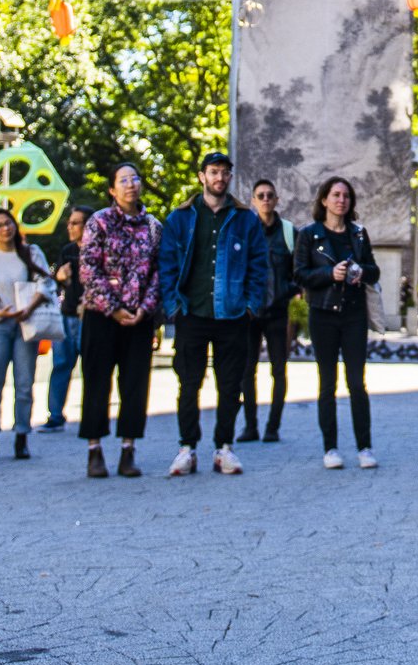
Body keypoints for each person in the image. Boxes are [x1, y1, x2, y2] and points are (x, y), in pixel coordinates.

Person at [156, 150, 273, 478]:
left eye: (224, 172)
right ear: (201, 177)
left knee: (230, 383)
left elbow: (258, 265)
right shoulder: (181, 217)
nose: (219, 177)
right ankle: (187, 448)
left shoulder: (245, 218)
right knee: (189, 382)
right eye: (213, 172)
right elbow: (166, 264)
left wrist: (251, 304)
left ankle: (224, 447)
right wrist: (173, 305)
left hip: (233, 314)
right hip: (192, 312)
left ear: (230, 178)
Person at [77, 165, 161, 479]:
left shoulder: (153, 226)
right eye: (123, 180)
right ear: (113, 189)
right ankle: (94, 449)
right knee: (97, 380)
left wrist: (145, 308)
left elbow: (158, 272)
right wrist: (112, 308)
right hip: (102, 315)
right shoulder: (98, 221)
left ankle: (128, 449)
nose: (131, 185)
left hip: (139, 317)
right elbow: (88, 269)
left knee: (135, 384)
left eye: (135, 179)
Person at [294, 176, 380, 469]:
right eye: (335, 195)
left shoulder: (358, 234)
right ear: (324, 200)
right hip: (322, 314)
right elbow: (300, 275)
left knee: (357, 382)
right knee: (327, 383)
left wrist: (359, 271)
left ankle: (364, 447)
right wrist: (330, 274)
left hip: (354, 314)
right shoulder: (308, 235)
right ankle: (330, 448)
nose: (341, 200)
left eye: (346, 196)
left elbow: (374, 271)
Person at [0, 207, 55, 461]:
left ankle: (22, 435)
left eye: (8, 223)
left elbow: (46, 282)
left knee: (24, 382)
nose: (5, 229)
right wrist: (2, 311)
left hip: (26, 323)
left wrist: (28, 307)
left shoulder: (31, 253)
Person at [240, 177, 298, 444]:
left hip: (277, 312)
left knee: (278, 370)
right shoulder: (245, 231)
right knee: (246, 370)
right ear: (253, 201)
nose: (265, 199)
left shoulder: (288, 232)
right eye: (260, 195)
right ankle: (250, 426)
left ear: (277, 200)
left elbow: (300, 269)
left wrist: (287, 290)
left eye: (269, 195)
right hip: (250, 314)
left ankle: (273, 427)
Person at [43, 205, 88, 431]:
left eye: (75, 222)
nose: (70, 227)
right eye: (69, 223)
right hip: (66, 316)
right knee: (61, 365)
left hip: (89, 317)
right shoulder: (68, 250)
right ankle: (55, 415)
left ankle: (92, 414)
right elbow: (56, 281)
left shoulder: (98, 249)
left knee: (91, 368)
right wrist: (59, 276)